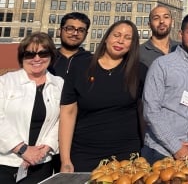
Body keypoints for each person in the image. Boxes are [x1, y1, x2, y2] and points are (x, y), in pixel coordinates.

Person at [59, 20, 147, 172]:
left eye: (127, 38)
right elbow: (68, 112)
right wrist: (65, 159)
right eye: (117, 35)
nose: (120, 40)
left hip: (127, 155)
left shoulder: (140, 71)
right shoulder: (80, 67)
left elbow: (143, 113)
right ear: (106, 38)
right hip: (84, 153)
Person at [142, 13, 188, 163]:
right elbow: (151, 111)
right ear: (181, 34)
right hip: (161, 152)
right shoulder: (161, 65)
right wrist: (176, 147)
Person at [0, 33, 63, 184]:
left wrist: (45, 148)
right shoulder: (6, 82)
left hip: (41, 164)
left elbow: (62, 121)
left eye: (43, 53)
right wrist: (23, 150)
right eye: (30, 54)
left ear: (51, 56)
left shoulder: (59, 85)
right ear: (22, 57)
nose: (37, 59)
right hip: (5, 162)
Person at [49, 12, 92, 77]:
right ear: (59, 31)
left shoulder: (92, 61)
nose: (75, 33)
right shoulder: (47, 58)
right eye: (70, 29)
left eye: (81, 30)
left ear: (85, 35)